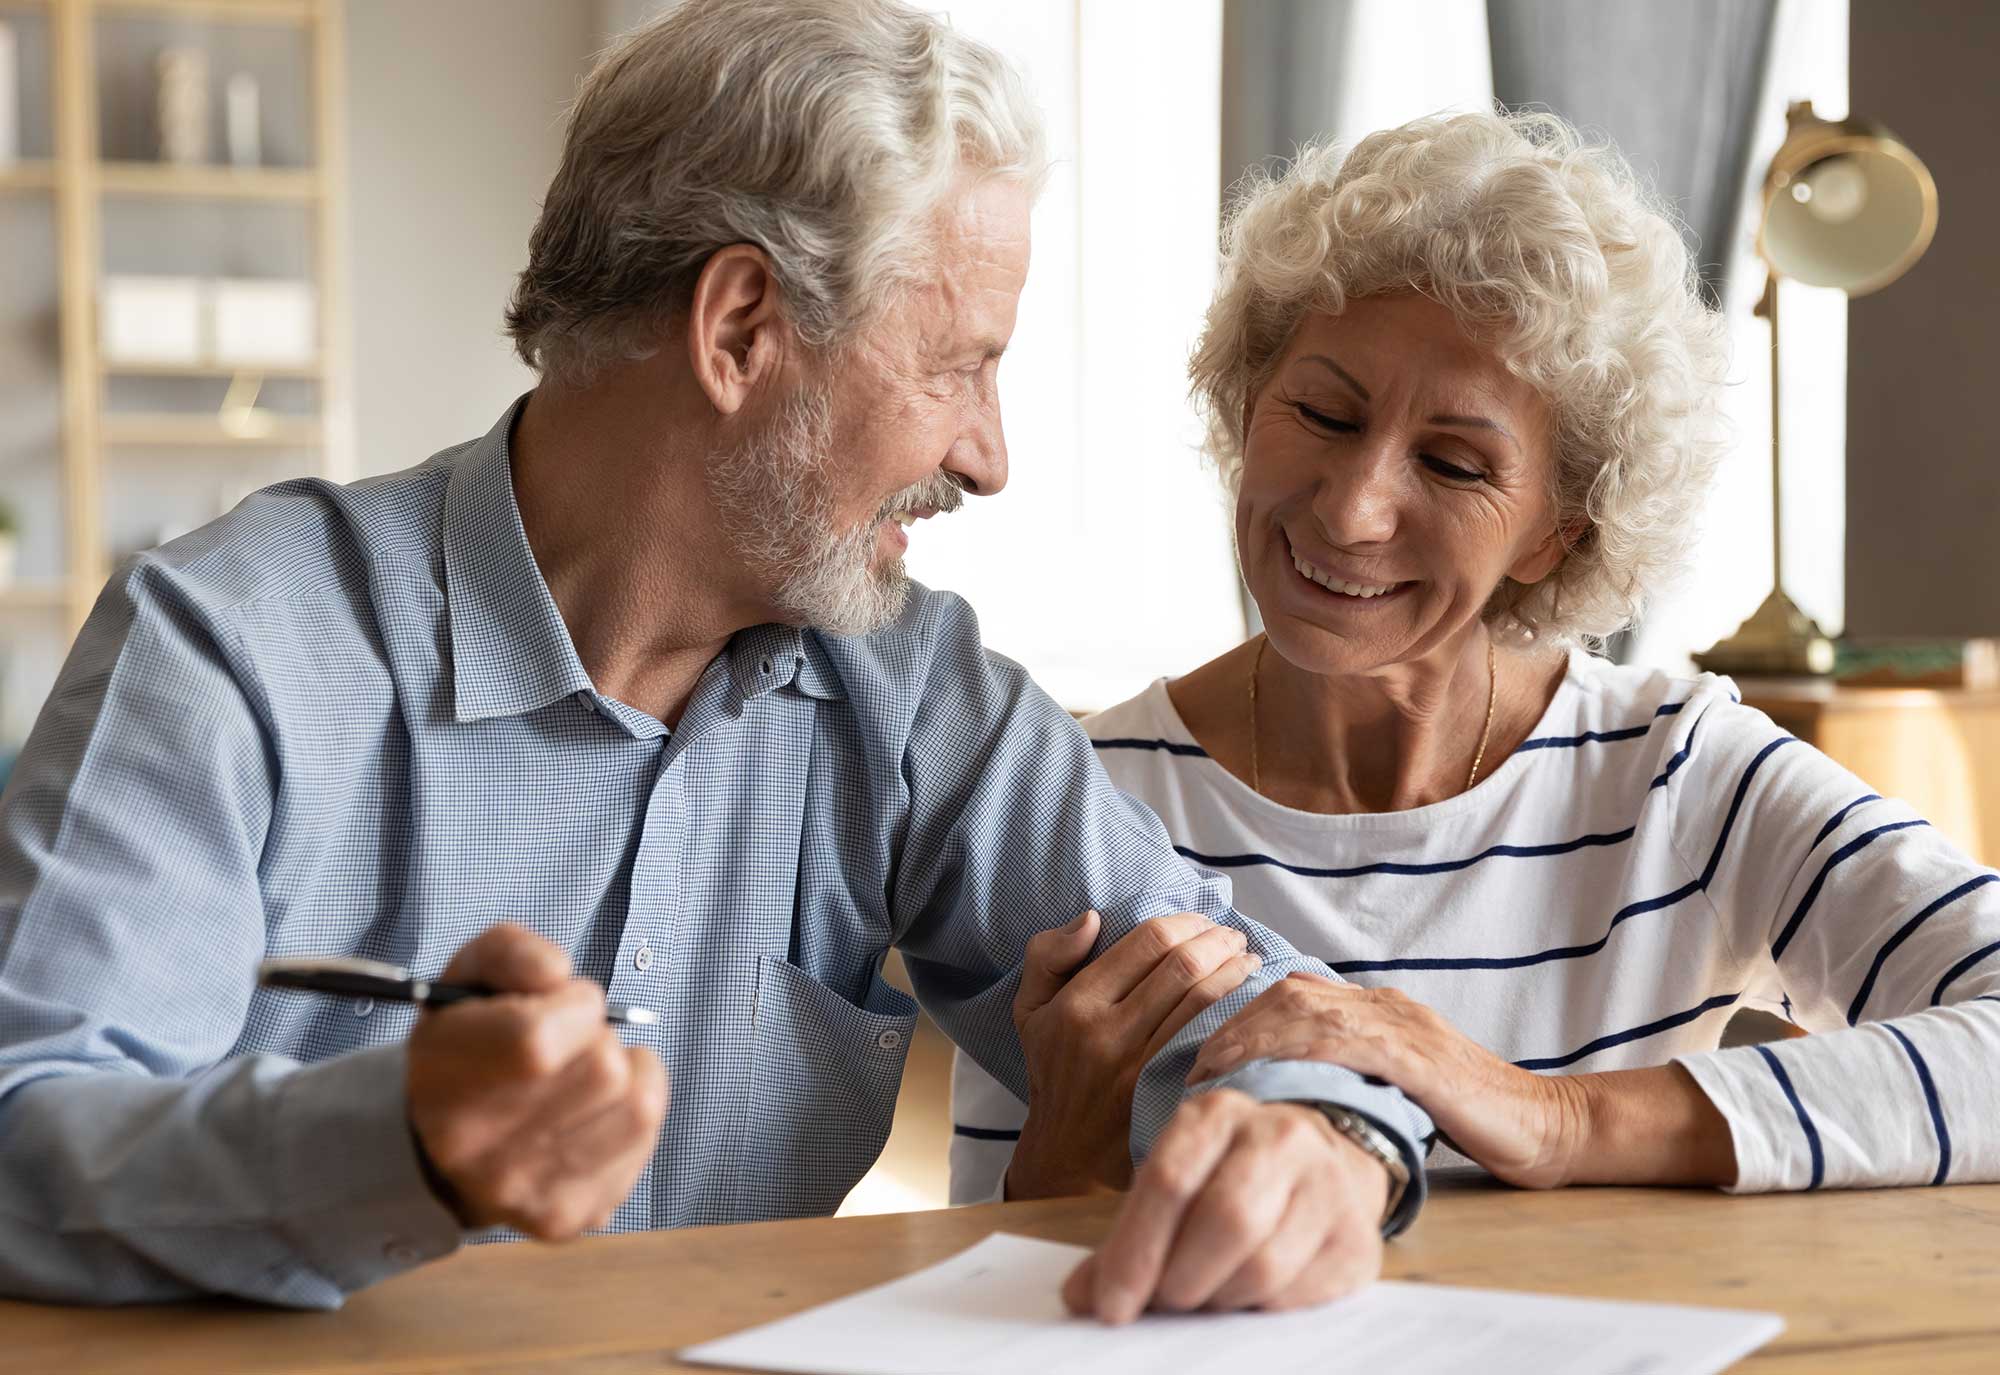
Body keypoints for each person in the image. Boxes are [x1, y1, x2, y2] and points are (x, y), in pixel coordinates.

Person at [0, 0, 1430, 1316]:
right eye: (957, 365)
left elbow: (1259, 999)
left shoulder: (911, 685)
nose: (988, 456)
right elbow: (22, 1129)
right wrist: (395, 1143)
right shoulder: (235, 639)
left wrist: (1327, 1140)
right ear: (742, 326)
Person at [954, 109, 1999, 1204]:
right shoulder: (1073, 797)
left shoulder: (1677, 777)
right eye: (1319, 412)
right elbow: (976, 1320)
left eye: (1452, 466)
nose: (1352, 510)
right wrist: (1067, 1159)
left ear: (1558, 530)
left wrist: (1551, 1116)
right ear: (1246, 398)